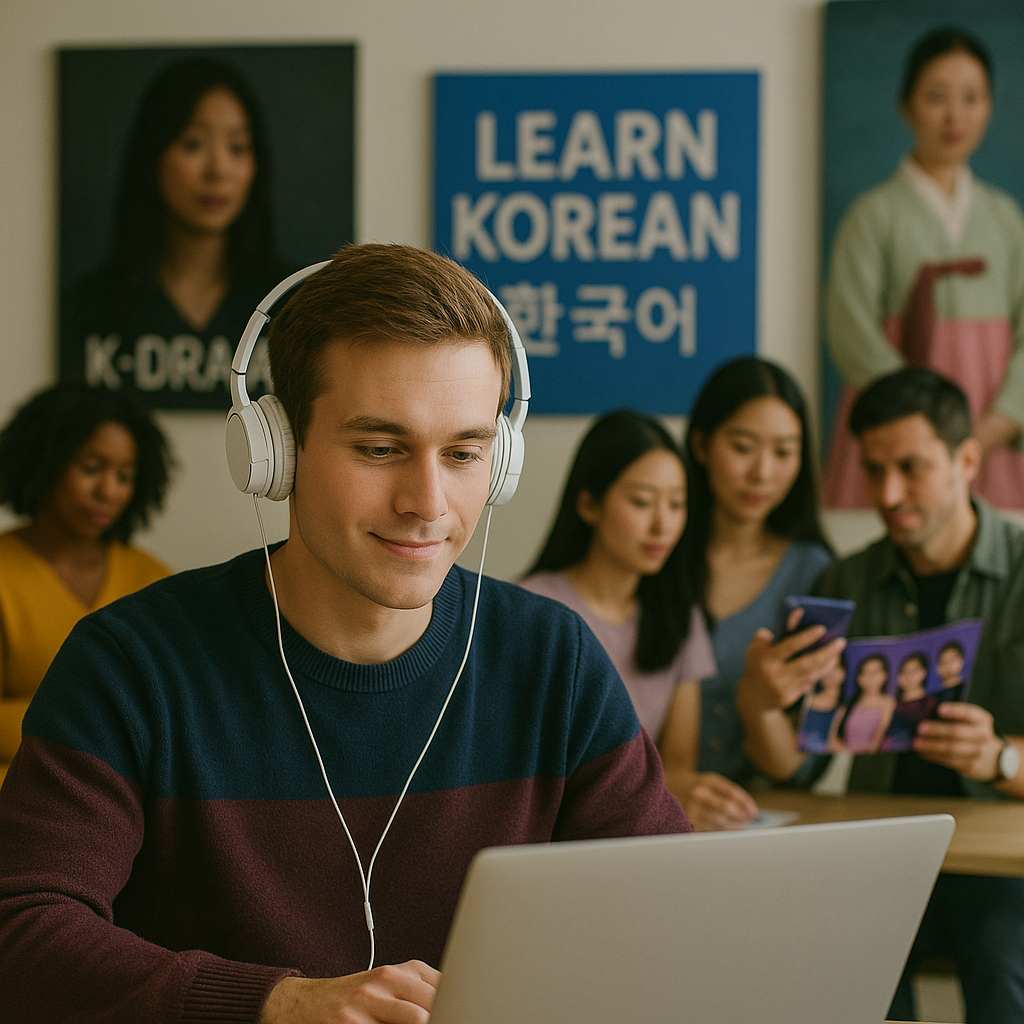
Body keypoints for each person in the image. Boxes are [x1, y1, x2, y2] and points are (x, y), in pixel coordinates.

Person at [0, 244, 690, 1024]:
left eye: (464, 454)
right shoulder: (131, 665)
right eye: (379, 449)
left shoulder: (553, 660)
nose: (428, 503)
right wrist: (277, 1006)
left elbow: (675, 921)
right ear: (278, 451)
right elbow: (19, 937)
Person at [815, 366, 1024, 1023]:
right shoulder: (844, 581)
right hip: (881, 857)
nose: (889, 492)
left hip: (1000, 867)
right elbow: (795, 761)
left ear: (968, 460)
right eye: (874, 470)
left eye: (911, 467)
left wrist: (1000, 758)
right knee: (849, 975)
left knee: (1002, 963)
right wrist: (765, 699)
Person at [822, 27, 1024, 509]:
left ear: (990, 107)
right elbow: (852, 333)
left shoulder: (1004, 217)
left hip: (988, 438)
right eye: (937, 97)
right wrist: (919, 432)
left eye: (971, 98)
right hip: (894, 434)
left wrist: (994, 426)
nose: (955, 116)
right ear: (906, 105)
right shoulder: (872, 215)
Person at [519, 410, 725, 829]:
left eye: (677, 504)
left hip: (639, 835)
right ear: (589, 504)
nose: (662, 524)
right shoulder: (530, 608)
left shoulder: (680, 616)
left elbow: (677, 768)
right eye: (642, 501)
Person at [61, 56, 293, 409]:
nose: (218, 170)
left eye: (237, 147)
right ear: (152, 155)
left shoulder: (291, 300)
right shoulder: (95, 301)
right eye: (193, 144)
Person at [674, 357, 844, 827]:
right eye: (743, 447)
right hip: (646, 815)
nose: (763, 473)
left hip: (756, 824)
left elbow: (799, 768)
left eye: (785, 452)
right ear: (702, 444)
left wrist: (758, 705)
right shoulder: (655, 551)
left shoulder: (815, 574)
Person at [0, 382, 172, 779]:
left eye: (125, 476)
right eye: (91, 468)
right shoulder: (7, 574)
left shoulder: (153, 581)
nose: (107, 491)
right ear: (45, 461)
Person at [833, 654, 896, 755]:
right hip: (842, 757)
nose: (870, 678)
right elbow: (833, 739)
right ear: (858, 677)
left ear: (885, 675)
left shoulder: (888, 703)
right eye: (865, 673)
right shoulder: (848, 704)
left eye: (875, 672)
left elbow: (877, 740)